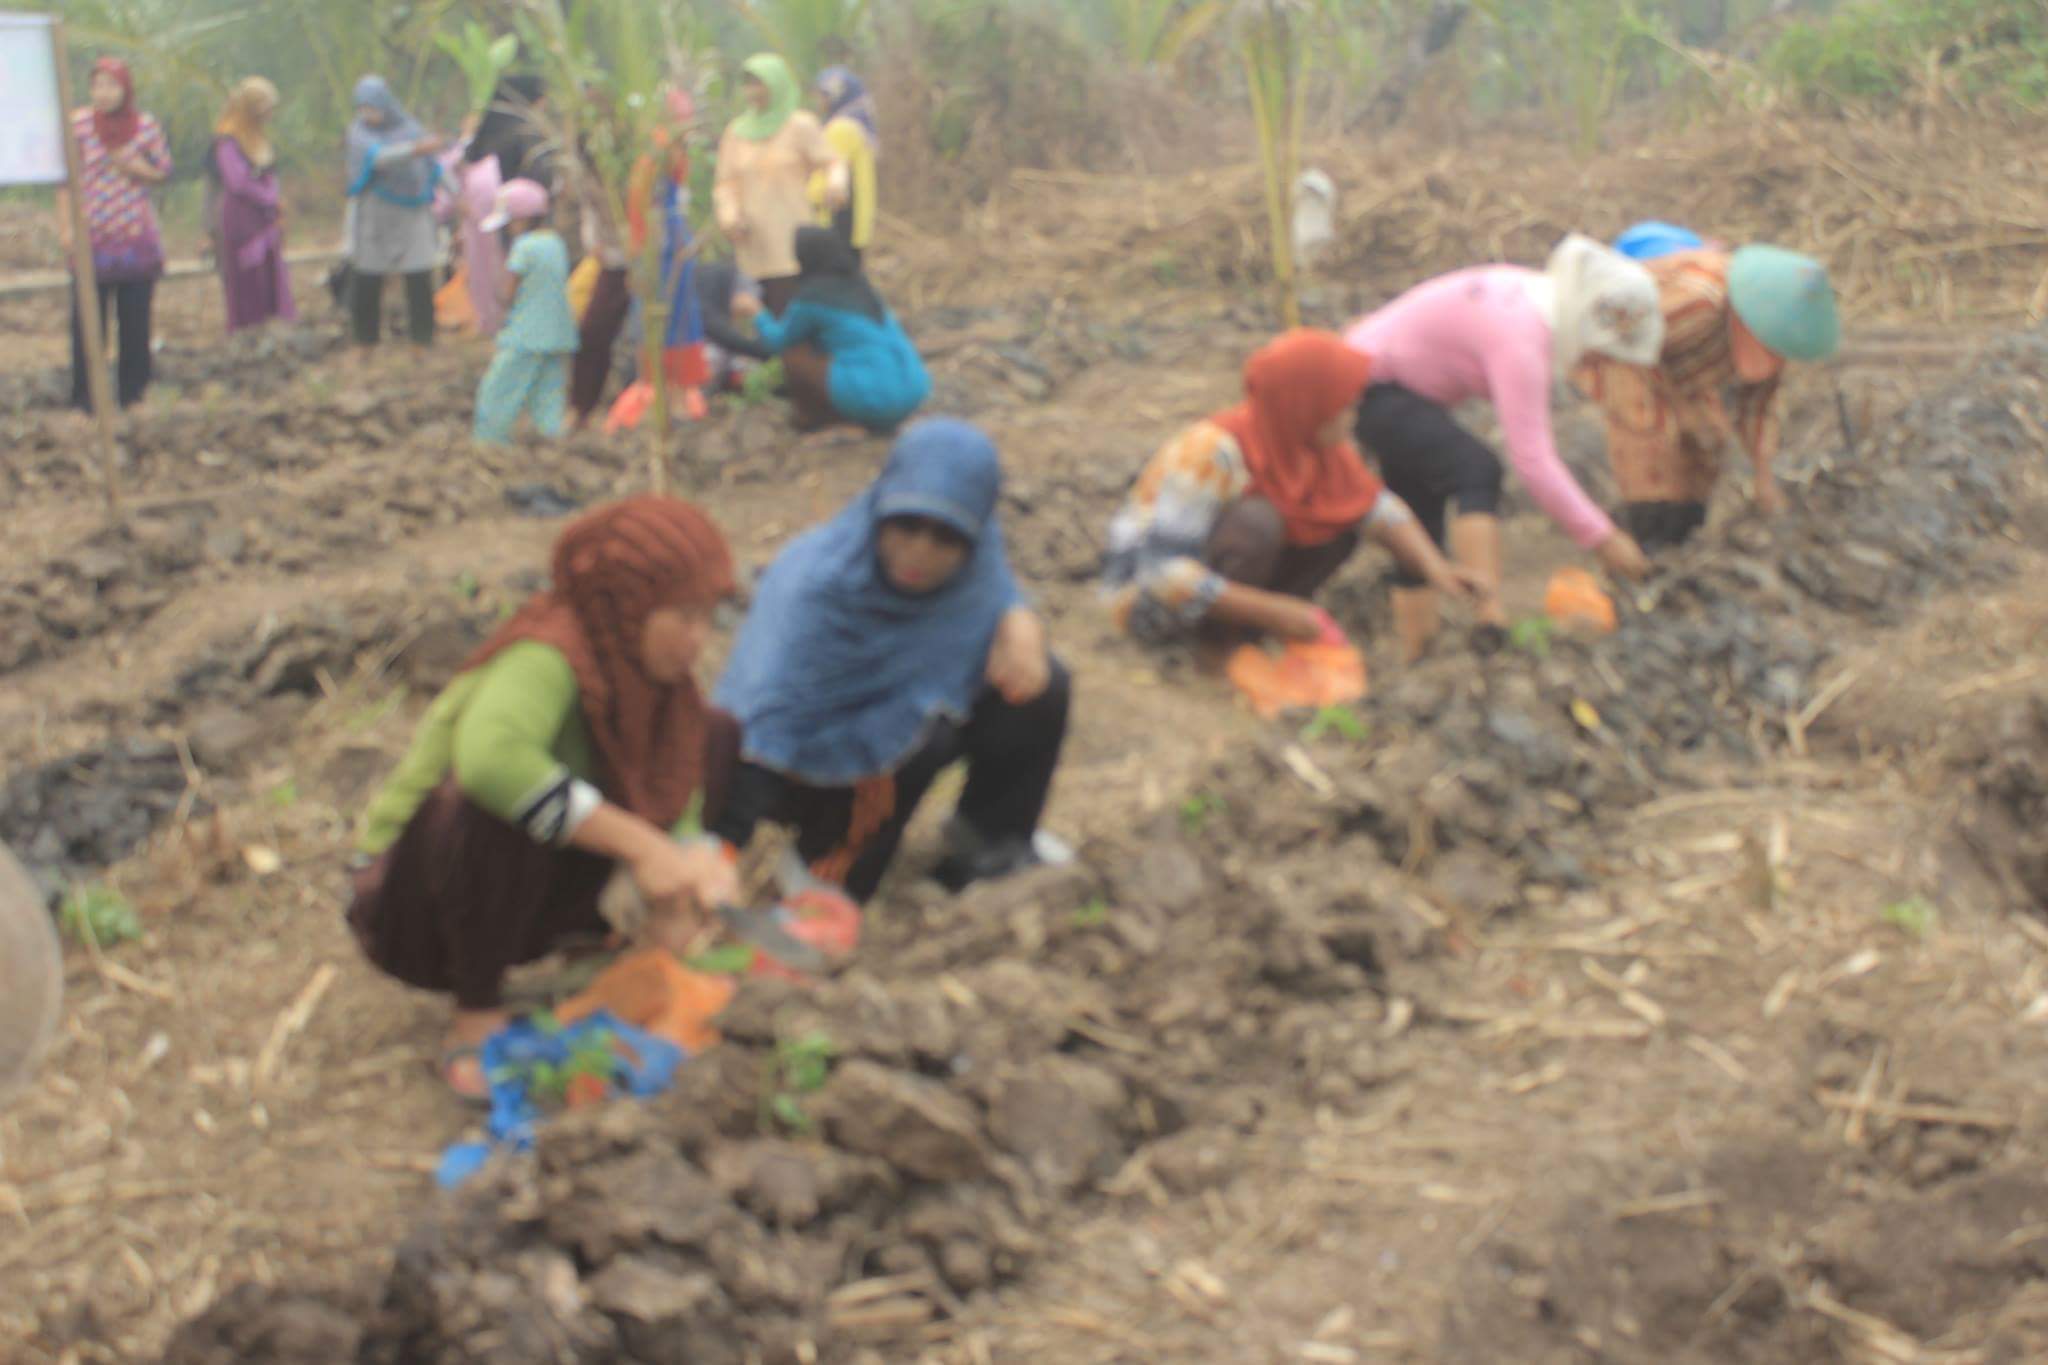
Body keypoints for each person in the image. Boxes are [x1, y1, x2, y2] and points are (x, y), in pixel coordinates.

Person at [348, 496, 742, 1099]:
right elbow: (491, 762)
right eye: (683, 618)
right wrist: (643, 845)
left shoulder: (657, 687)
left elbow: (677, 798)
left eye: (706, 618)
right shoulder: (546, 654)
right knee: (493, 807)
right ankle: (475, 1015)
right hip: (414, 902)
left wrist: (690, 866)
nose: (698, 639)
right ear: (628, 608)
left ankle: (614, 955)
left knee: (712, 734)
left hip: (531, 892)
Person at [711, 419, 1069, 903]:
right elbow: (763, 724)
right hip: (803, 766)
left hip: (895, 746)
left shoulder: (977, 567)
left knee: (1042, 689)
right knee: (924, 736)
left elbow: (998, 585)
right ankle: (823, 867)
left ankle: (986, 848)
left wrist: (1021, 618)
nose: (919, 552)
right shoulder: (817, 587)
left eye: (946, 537)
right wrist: (720, 846)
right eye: (906, 526)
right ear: (881, 509)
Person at [1343, 234, 1665, 661]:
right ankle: (1489, 620)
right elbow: (1533, 460)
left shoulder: (1530, 299)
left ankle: (1416, 658)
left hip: (1386, 383)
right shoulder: (1523, 335)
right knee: (1476, 469)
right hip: (1368, 386)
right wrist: (1603, 538)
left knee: (1420, 517)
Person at [1104, 329, 1488, 651]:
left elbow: (1377, 509)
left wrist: (1439, 570)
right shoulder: (1212, 452)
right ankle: (1212, 652)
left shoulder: (1317, 450)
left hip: (1215, 594)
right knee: (1257, 523)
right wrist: (1277, 611)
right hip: (1147, 603)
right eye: (1344, 407)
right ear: (1308, 407)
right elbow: (1163, 573)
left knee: (1338, 524)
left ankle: (1243, 643)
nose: (1354, 417)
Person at [1579, 244, 1840, 551]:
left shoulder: (1776, 336)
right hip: (1620, 351)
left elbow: (1757, 406)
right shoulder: (1698, 300)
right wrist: (1673, 416)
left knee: (1710, 439)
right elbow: (1617, 338)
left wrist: (1764, 477)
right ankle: (1638, 543)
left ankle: (1681, 540)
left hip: (1679, 370)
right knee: (1653, 442)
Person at [732, 226, 929, 433]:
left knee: (795, 350)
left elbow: (777, 341)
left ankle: (817, 419)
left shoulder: (812, 299)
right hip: (914, 388)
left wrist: (757, 312)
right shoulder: (862, 286)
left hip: (875, 399)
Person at [59, 57, 171, 412]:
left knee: (135, 321)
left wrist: (135, 167)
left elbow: (162, 171)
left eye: (111, 85)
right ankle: (85, 400)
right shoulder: (78, 125)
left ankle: (133, 396)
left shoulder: (146, 127)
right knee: (88, 323)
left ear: (126, 89)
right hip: (91, 237)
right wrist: (66, 228)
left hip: (135, 238)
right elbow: (65, 180)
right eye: (98, 85)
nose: (104, 94)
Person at [714, 53, 846, 316]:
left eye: (759, 83)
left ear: (777, 84)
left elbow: (833, 162)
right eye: (748, 84)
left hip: (794, 241)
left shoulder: (800, 125)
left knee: (798, 317)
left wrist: (836, 183)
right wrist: (729, 216)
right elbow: (726, 184)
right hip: (754, 245)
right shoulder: (736, 132)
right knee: (763, 321)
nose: (753, 91)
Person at [625, 88, 711, 420]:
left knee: (677, 317)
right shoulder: (655, 155)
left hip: (672, 247)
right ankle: (661, 394)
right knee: (660, 317)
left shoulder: (669, 154)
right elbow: (641, 207)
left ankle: (675, 393)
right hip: (658, 249)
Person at [472, 180, 577, 445]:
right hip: (558, 333)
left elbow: (508, 292)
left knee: (498, 390)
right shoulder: (555, 242)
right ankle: (554, 440)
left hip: (527, 334)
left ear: (521, 219)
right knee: (548, 394)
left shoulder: (524, 247)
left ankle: (489, 443)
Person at [345, 75, 444, 353]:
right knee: (368, 278)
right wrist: (415, 149)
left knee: (419, 276)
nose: (368, 114)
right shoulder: (359, 133)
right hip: (376, 215)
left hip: (412, 215)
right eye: (362, 108)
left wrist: (457, 194)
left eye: (372, 107)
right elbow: (377, 158)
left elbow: (432, 165)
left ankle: (422, 339)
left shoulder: (411, 128)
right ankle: (366, 341)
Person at [208, 77, 295, 335]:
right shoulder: (228, 140)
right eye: (265, 107)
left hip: (265, 218)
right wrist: (268, 196)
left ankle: (271, 327)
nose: (269, 114)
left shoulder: (257, 137)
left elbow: (268, 172)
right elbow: (238, 182)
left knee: (269, 274)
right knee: (247, 278)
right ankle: (247, 331)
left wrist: (274, 199)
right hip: (242, 219)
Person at [811, 65, 877, 261]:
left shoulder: (840, 129)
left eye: (823, 95)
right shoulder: (858, 125)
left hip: (836, 224)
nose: (819, 101)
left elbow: (827, 179)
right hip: (855, 228)